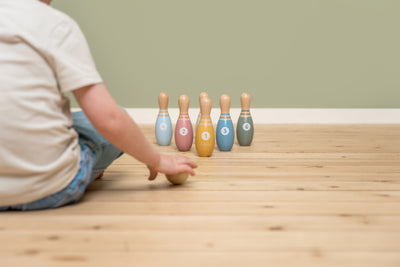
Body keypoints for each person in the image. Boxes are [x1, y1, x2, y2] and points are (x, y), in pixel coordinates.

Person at [0, 0, 197, 211]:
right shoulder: (55, 25)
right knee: (114, 118)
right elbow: (109, 120)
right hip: (52, 188)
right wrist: (157, 160)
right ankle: (88, 166)